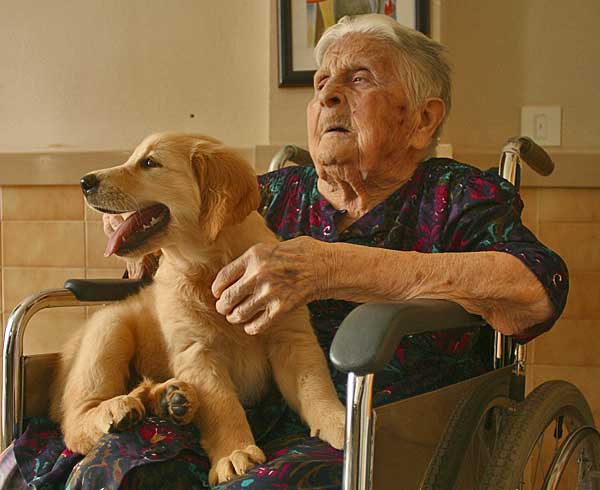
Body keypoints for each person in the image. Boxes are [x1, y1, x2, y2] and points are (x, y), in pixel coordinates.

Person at [8, 13, 567, 490]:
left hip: (387, 421)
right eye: (322, 82)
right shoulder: (272, 192)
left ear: (422, 118)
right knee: (114, 470)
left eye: (359, 77)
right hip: (232, 402)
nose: (326, 94)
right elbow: (185, 215)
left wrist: (337, 267)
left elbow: (535, 288)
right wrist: (140, 225)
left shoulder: (459, 195)